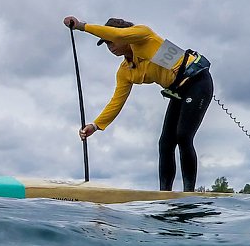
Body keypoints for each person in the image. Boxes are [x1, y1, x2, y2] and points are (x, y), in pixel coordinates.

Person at [63, 16, 213, 192]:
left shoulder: (144, 35)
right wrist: (95, 125)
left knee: (183, 136)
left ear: (123, 36)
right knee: (165, 143)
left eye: (111, 42)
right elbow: (116, 101)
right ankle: (164, 194)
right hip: (179, 92)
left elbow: (116, 33)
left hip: (198, 82)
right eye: (106, 44)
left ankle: (189, 193)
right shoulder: (125, 71)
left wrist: (81, 26)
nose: (110, 47)